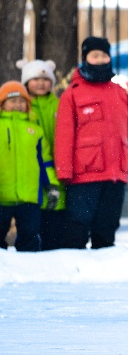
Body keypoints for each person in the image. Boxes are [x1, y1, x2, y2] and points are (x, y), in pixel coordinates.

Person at [55, 36, 128, 249]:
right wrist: (64, 171)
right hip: (84, 173)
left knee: (107, 226)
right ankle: (73, 267)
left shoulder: (120, 93)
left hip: (116, 173)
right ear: (85, 58)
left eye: (104, 55)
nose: (100, 59)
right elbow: (64, 135)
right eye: (94, 55)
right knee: (77, 224)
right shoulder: (72, 94)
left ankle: (102, 269)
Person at [0, 82, 61, 251]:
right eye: (12, 101)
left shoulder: (35, 130)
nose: (17, 105)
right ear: (3, 104)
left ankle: (29, 268)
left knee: (30, 236)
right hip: (2, 195)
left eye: (22, 101)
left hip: (30, 195)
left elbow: (45, 161)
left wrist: (51, 185)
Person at [17, 59, 67, 249]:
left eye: (45, 79)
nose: (41, 83)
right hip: (30, 171)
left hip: (56, 166)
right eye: (35, 79)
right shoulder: (22, 108)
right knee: (32, 219)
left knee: (56, 214)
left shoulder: (59, 104)